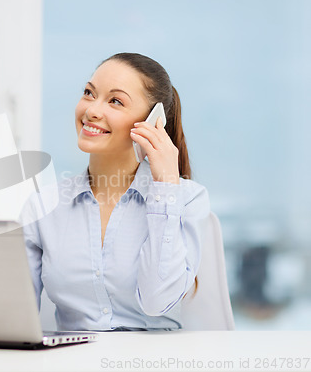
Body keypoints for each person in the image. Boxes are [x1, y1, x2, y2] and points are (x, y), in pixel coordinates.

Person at [20, 52, 210, 331]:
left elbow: (157, 302)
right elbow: (15, 314)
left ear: (153, 122)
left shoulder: (187, 198)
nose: (92, 111)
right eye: (89, 93)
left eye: (115, 101)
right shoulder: (43, 205)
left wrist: (166, 187)